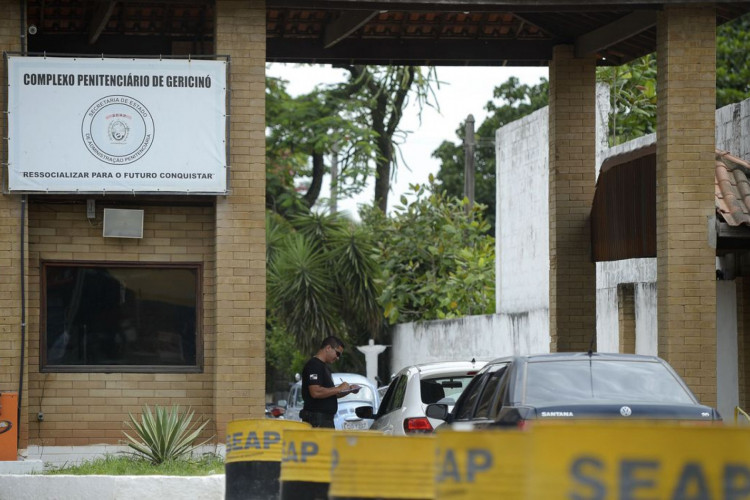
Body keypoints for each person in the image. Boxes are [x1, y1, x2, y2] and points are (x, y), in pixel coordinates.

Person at [300, 336, 359, 428]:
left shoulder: (324, 367)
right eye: (337, 353)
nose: (337, 358)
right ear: (328, 348)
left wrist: (349, 390)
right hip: (317, 420)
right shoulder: (314, 365)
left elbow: (330, 393)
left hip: (325, 420)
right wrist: (339, 388)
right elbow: (315, 392)